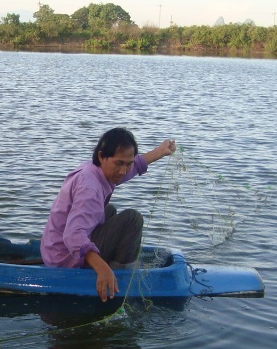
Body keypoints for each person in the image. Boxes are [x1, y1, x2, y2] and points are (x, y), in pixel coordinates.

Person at [40, 127, 176, 301]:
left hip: (52, 251)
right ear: (101, 156)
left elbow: (129, 169)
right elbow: (73, 236)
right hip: (63, 259)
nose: (123, 171)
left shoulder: (95, 170)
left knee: (109, 210)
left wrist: (160, 152)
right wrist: (103, 269)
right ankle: (120, 278)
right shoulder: (90, 189)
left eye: (128, 164)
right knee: (131, 219)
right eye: (119, 164)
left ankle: (109, 265)